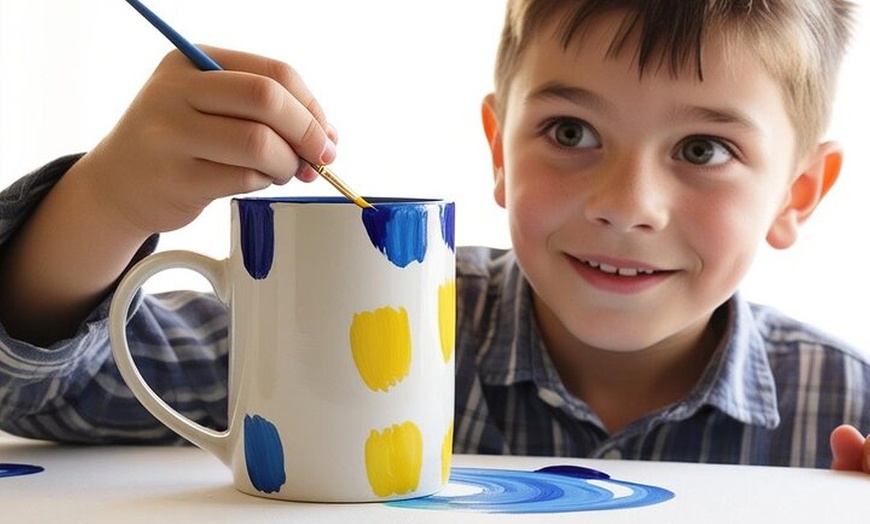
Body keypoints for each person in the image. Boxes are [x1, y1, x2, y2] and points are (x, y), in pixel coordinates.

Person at [0, 0, 868, 473]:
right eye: (570, 131)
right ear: (498, 148)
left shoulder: (847, 406)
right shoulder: (371, 316)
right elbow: (44, 392)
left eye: (703, 149)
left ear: (798, 193)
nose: (624, 203)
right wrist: (110, 202)